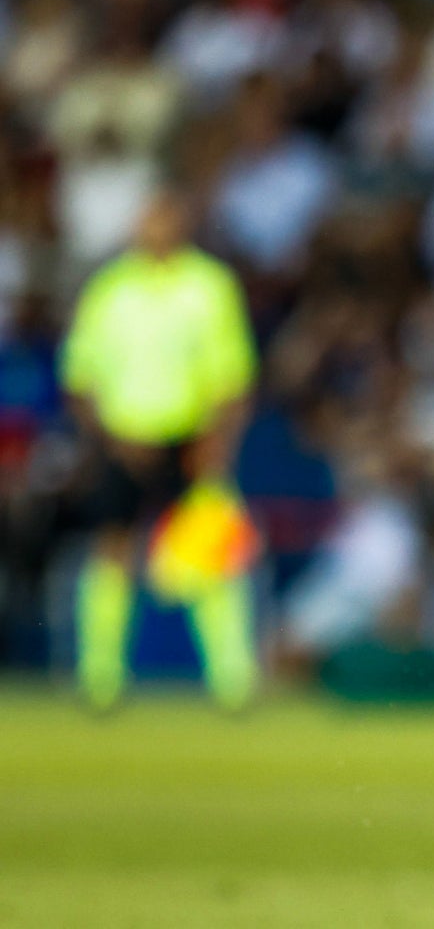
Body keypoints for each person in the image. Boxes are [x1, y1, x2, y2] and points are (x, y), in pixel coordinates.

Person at [60, 192, 260, 711]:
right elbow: (80, 377)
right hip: (123, 438)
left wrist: (215, 445)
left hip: (189, 440)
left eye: (167, 216)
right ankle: (100, 680)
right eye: (150, 217)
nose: (157, 227)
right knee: (112, 551)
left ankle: (232, 682)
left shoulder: (210, 285)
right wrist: (105, 440)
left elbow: (234, 377)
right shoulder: (110, 288)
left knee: (212, 557)